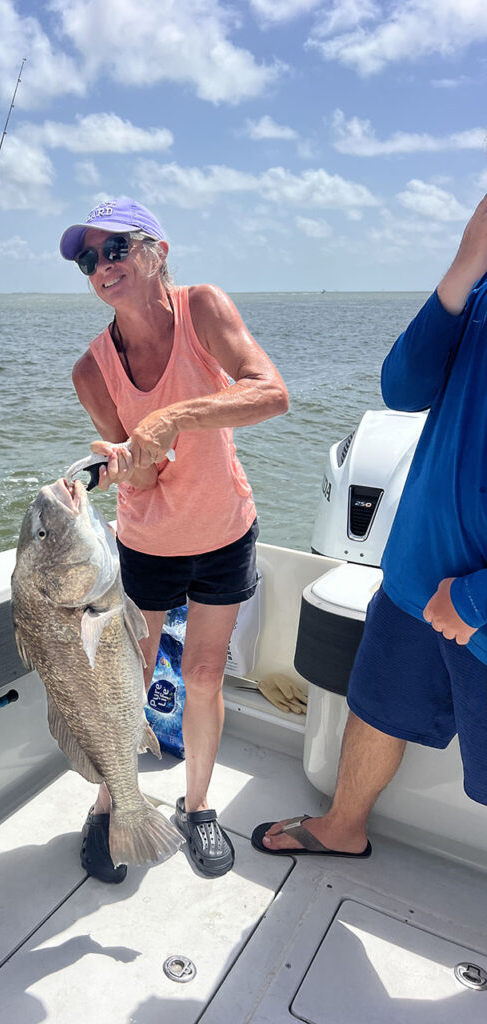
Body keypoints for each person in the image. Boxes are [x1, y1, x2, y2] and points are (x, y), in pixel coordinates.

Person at [59, 197, 289, 881]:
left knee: (204, 676)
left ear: (157, 250)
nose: (101, 266)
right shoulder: (91, 370)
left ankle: (198, 808)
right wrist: (130, 462)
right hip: (147, 542)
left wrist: (171, 418)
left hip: (225, 530)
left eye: (115, 249)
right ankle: (110, 805)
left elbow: (272, 393)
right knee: (122, 682)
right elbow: (149, 473)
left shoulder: (204, 308)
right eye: (87, 259)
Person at [253, 193, 487, 859]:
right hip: (416, 576)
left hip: (476, 606)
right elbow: (402, 387)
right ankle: (341, 825)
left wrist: (473, 601)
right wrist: (464, 266)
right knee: (377, 707)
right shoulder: (479, 291)